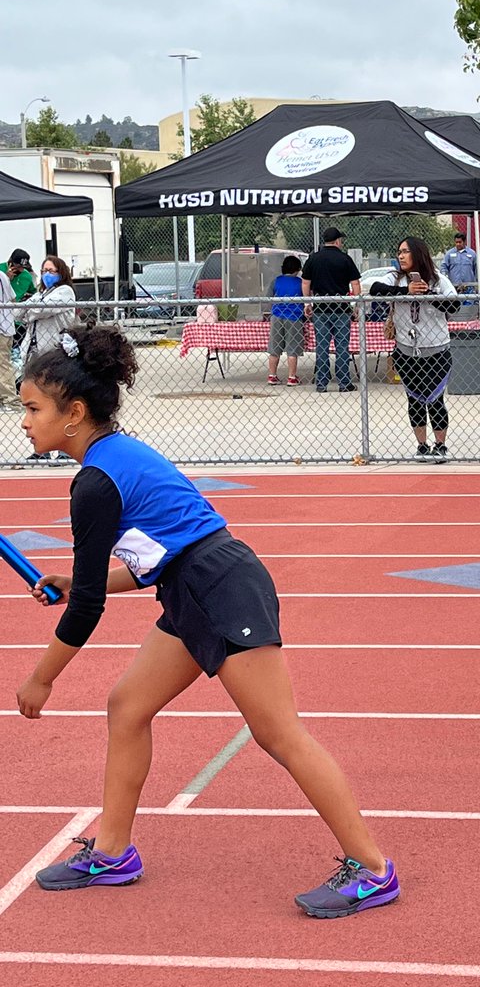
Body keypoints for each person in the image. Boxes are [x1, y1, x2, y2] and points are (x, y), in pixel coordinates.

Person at [15, 323, 399, 918]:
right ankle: (114, 851)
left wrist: (42, 678)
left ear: (75, 412)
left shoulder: (95, 481)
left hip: (221, 588)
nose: (23, 422)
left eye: (32, 409)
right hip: (193, 586)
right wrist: (73, 583)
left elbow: (92, 606)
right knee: (128, 706)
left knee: (279, 734)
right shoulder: (117, 455)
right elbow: (151, 560)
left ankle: (372, 868)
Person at [369, 236, 460, 463]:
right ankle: (421, 445)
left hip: (436, 350)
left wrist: (427, 293)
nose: (401, 256)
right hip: (406, 350)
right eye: (399, 251)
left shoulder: (439, 280)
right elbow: (375, 290)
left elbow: (454, 305)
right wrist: (406, 292)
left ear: (418, 253)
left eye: (406, 251)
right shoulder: (395, 278)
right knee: (415, 400)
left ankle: (440, 445)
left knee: (436, 400)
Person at [302, 227, 361, 393]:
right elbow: (355, 283)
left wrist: (307, 303)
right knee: (342, 347)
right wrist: (356, 305)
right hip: (341, 309)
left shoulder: (313, 259)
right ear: (337, 241)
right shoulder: (345, 259)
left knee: (322, 346)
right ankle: (344, 383)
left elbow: (305, 283)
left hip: (320, 308)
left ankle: (321, 383)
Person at [16, 256, 77, 367]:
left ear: (60, 272)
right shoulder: (41, 294)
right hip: (32, 350)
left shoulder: (65, 291)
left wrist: (29, 311)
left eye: (50, 271)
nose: (46, 274)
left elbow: (43, 309)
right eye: (44, 271)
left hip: (52, 350)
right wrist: (33, 310)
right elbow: (18, 314)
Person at [265, 255, 304, 386]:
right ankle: (292, 377)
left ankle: (272, 375)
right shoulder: (300, 283)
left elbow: (268, 298)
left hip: (277, 316)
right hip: (294, 317)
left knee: (274, 347)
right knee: (292, 348)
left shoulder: (276, 281)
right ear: (297, 269)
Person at [0, 266, 17, 410]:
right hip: (6, 326)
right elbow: (13, 297)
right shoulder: (3, 276)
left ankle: (10, 400)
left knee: (3, 364)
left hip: (2, 329)